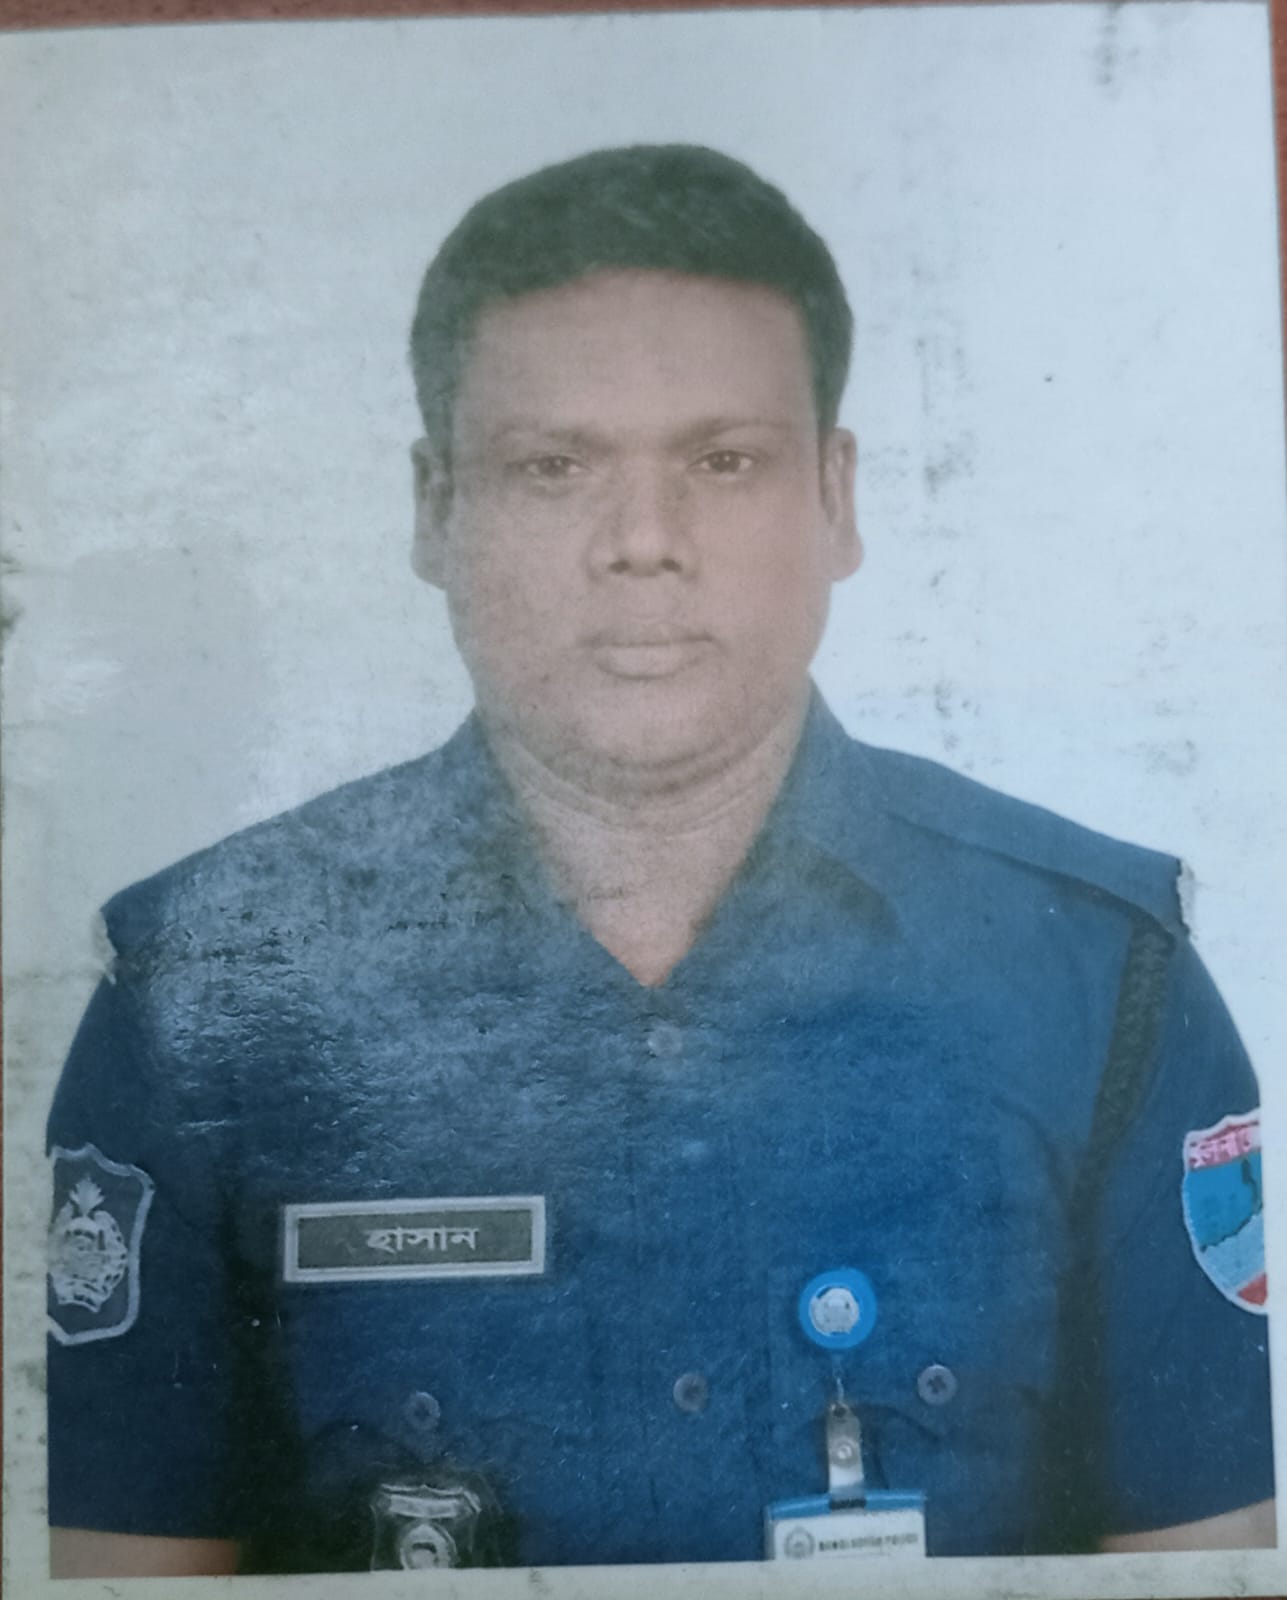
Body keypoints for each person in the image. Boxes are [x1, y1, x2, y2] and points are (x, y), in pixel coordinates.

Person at [46, 144, 1274, 1578]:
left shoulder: (1100, 983)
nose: (643, 543)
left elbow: (1212, 1572)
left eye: (724, 461)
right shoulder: (200, 997)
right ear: (435, 508)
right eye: (553, 467)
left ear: (837, 497)